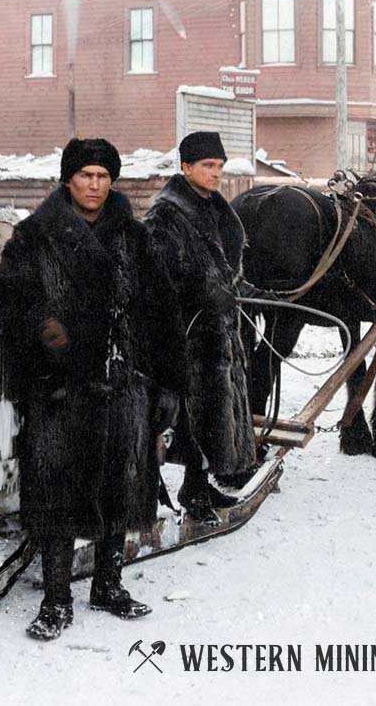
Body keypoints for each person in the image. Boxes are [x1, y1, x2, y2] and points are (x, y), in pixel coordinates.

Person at [0, 137, 187, 641]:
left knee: (120, 483)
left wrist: (166, 384)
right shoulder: (37, 235)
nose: (94, 185)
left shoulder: (133, 238)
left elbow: (162, 313)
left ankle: (108, 585)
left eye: (103, 176)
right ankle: (56, 599)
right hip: (62, 386)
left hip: (123, 383)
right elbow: (4, 293)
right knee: (57, 490)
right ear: (67, 179)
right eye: (85, 176)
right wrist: (42, 327)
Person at [144, 131, 259, 518]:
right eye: (208, 166)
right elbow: (157, 274)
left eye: (220, 167)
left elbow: (225, 268)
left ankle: (200, 487)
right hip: (186, 333)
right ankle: (192, 494)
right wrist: (202, 291)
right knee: (192, 415)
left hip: (218, 331)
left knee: (213, 410)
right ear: (186, 167)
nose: (216, 174)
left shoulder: (213, 207)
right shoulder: (166, 214)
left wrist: (240, 289)